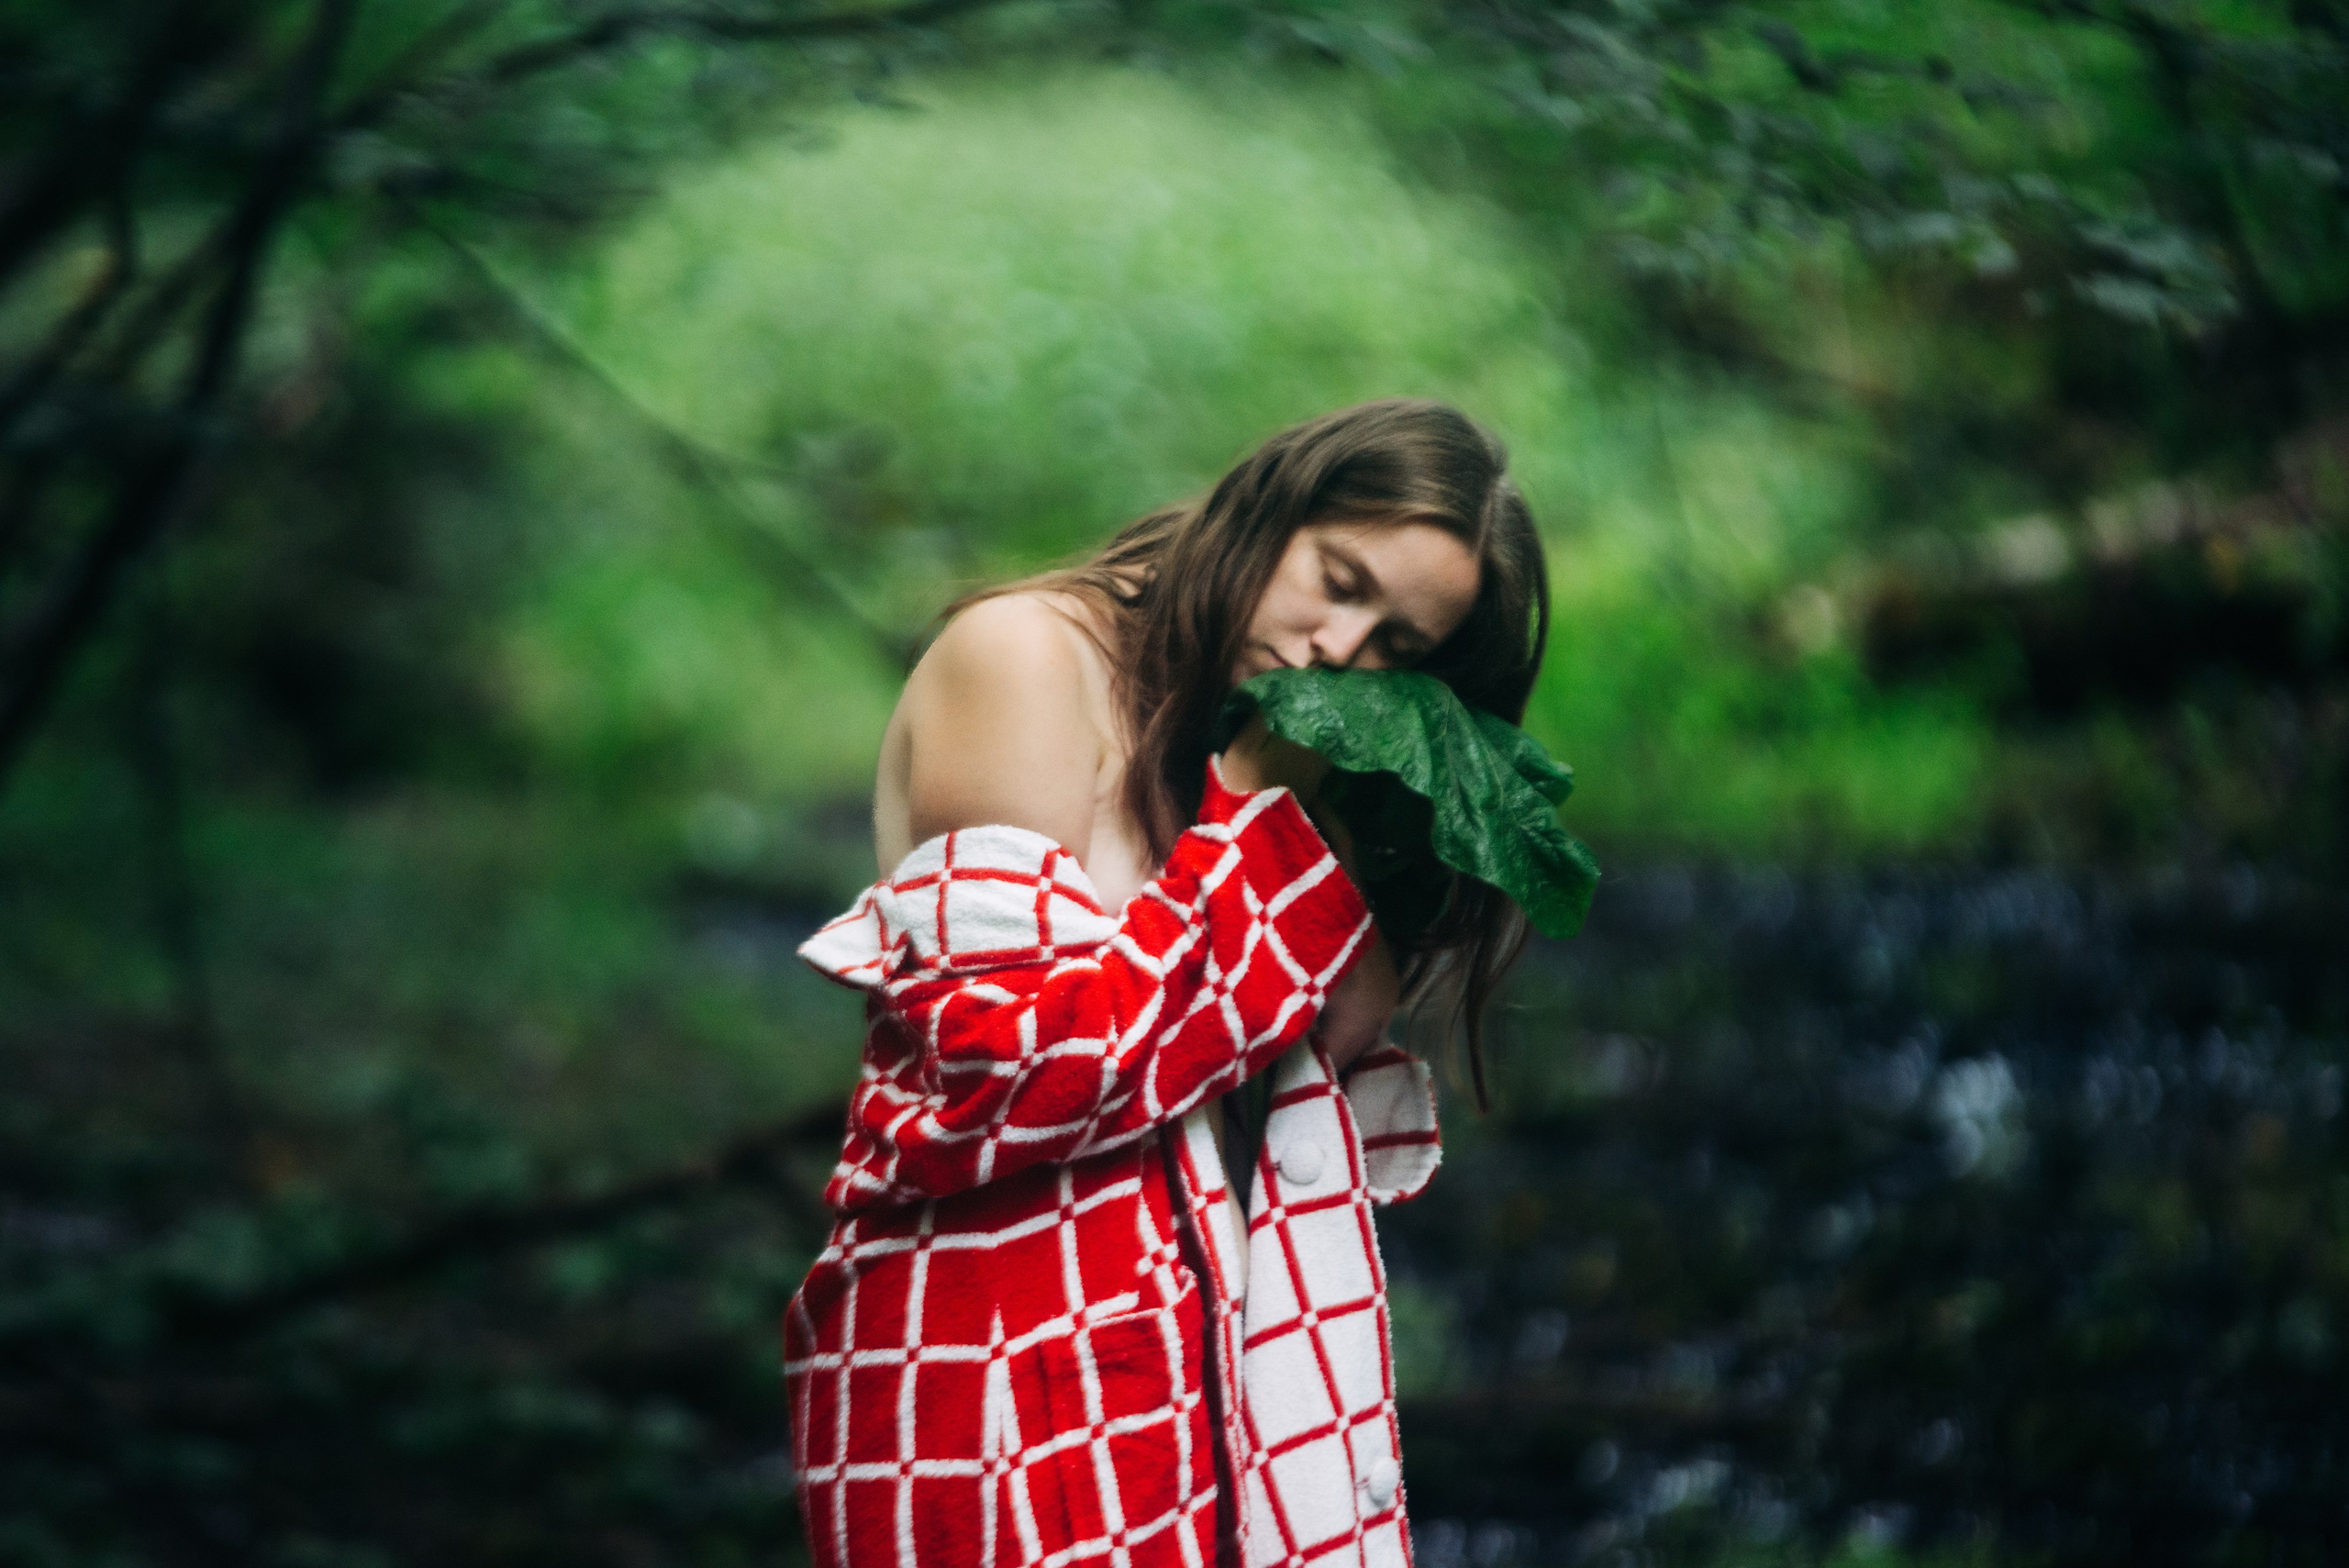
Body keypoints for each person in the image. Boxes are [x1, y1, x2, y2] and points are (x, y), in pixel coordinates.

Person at [785, 399, 1550, 1568]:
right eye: (1337, 580)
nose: (1339, 651)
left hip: (1181, 1382)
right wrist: (1250, 811)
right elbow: (1011, 1064)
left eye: (1399, 647)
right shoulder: (1031, 657)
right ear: (1266, 507)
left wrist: (1328, 811)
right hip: (980, 1366)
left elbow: (1338, 1029)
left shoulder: (1254, 751)